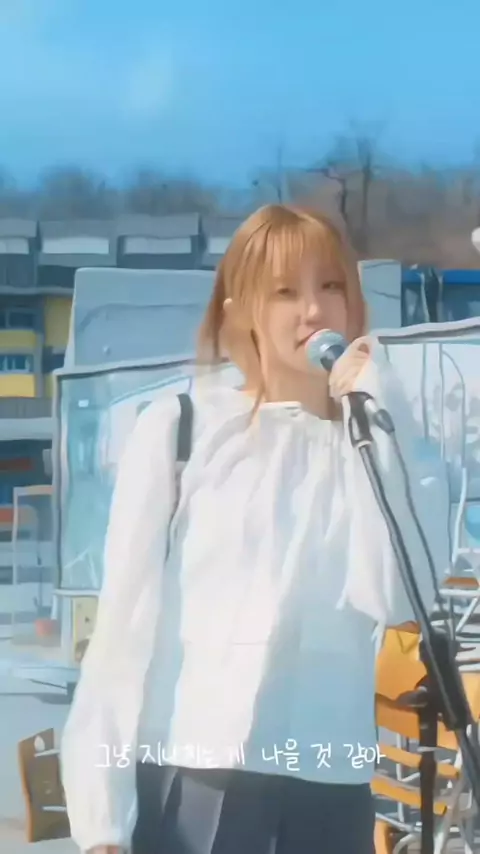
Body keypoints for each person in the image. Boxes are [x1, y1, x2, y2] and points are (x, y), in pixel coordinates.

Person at [61, 204, 450, 854]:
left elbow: (394, 595)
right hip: (196, 767)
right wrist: (101, 818)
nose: (314, 311)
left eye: (331, 286)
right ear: (241, 310)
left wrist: (381, 419)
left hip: (331, 779)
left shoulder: (381, 441)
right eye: (285, 292)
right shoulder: (182, 429)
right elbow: (124, 628)